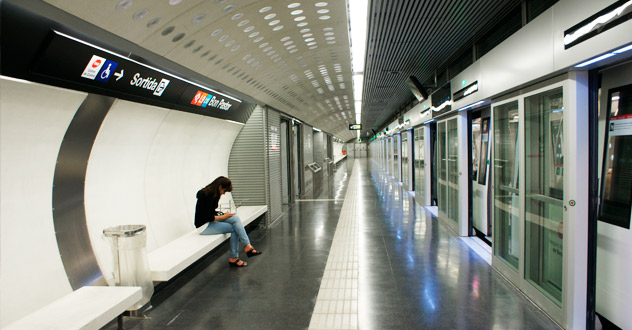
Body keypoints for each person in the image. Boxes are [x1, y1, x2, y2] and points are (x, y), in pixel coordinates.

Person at [194, 176, 261, 267]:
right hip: (204, 226)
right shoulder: (205, 195)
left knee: (235, 218)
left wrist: (223, 214)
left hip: (211, 221)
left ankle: (247, 245)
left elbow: (211, 211)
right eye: (224, 191)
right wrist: (224, 216)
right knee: (234, 228)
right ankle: (234, 257)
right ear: (220, 186)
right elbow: (208, 217)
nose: (224, 193)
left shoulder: (213, 194)